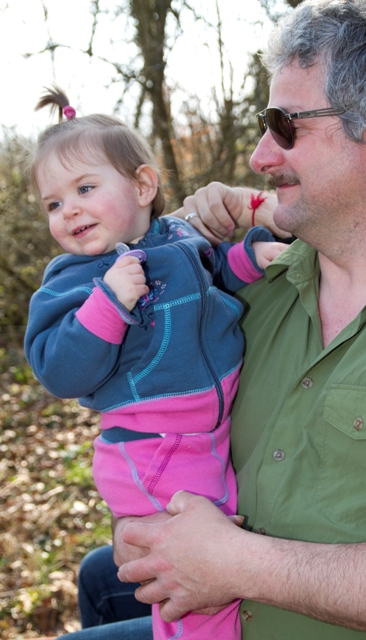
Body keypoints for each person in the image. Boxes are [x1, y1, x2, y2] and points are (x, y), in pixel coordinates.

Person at [30, 0, 366, 637]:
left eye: (286, 125)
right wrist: (182, 231)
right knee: (104, 576)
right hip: (216, 607)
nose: (259, 155)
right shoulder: (258, 284)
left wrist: (242, 565)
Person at [24, 88, 286, 640]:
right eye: (53, 203)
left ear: (143, 186)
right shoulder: (72, 281)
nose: (68, 210)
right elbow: (58, 369)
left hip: (202, 437)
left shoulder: (179, 239)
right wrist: (108, 304)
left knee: (196, 571)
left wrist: (251, 255)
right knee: (195, 579)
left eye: (85, 188)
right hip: (154, 450)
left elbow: (213, 276)